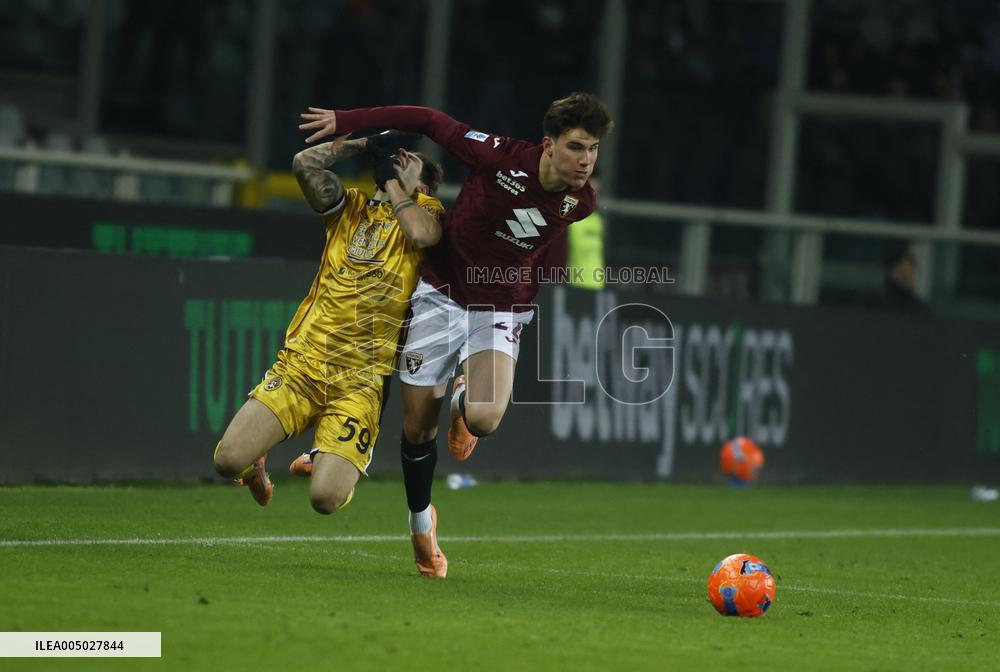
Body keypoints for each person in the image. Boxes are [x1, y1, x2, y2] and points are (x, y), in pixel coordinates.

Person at [300, 93, 613, 565]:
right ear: (548, 144)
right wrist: (348, 119)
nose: (585, 159)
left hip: (498, 308)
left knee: (485, 419)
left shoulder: (581, 202)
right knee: (417, 428)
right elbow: (427, 119)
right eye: (575, 147)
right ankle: (421, 522)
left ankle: (466, 397)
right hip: (439, 296)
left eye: (592, 148)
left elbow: (534, 249)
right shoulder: (497, 155)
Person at [212, 130, 450, 578]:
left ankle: (324, 457)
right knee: (226, 461)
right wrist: (366, 145)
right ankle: (259, 462)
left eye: (410, 160)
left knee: (325, 500)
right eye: (398, 156)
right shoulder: (351, 208)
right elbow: (304, 162)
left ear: (424, 183)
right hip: (302, 364)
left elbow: (421, 235)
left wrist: (408, 182)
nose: (401, 160)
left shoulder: (428, 213)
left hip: (360, 383)